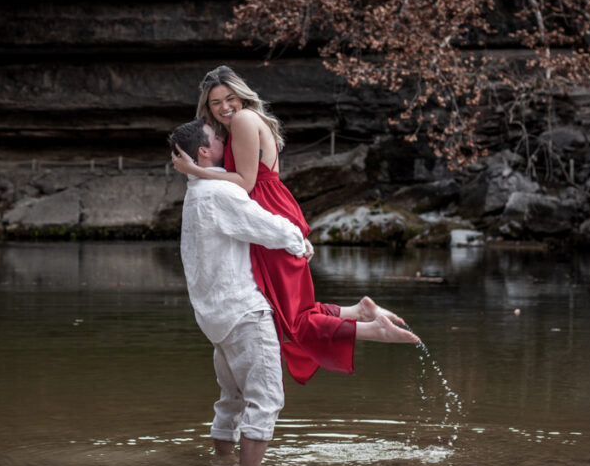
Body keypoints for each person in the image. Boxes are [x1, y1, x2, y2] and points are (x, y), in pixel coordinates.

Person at [172, 66, 419, 385]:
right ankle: (359, 312)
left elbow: (246, 182)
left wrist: (196, 171)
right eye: (215, 102)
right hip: (264, 211)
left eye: (229, 98)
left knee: (290, 321)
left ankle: (370, 329)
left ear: (241, 95)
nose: (224, 107)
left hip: (264, 210)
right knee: (284, 313)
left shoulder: (245, 120)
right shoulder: (237, 125)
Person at [170, 118, 313, 466]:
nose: (226, 141)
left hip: (215, 317)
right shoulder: (219, 193)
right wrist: (300, 241)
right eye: (218, 138)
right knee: (266, 400)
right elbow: (265, 226)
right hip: (243, 312)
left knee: (232, 399)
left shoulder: (195, 193)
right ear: (204, 152)